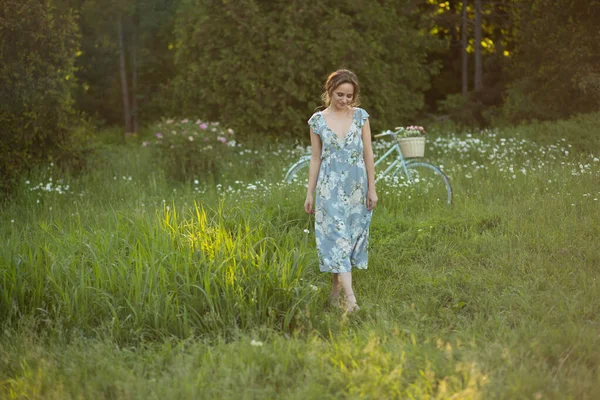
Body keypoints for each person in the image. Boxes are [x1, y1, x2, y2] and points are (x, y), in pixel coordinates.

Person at [304, 69, 378, 313]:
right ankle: (351, 300)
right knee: (338, 241)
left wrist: (372, 189)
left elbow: (368, 153)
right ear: (329, 92)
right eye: (340, 94)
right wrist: (310, 193)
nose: (345, 100)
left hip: (358, 190)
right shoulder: (317, 122)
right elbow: (315, 158)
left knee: (350, 241)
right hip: (329, 191)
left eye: (349, 95)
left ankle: (335, 293)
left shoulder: (360, 117)